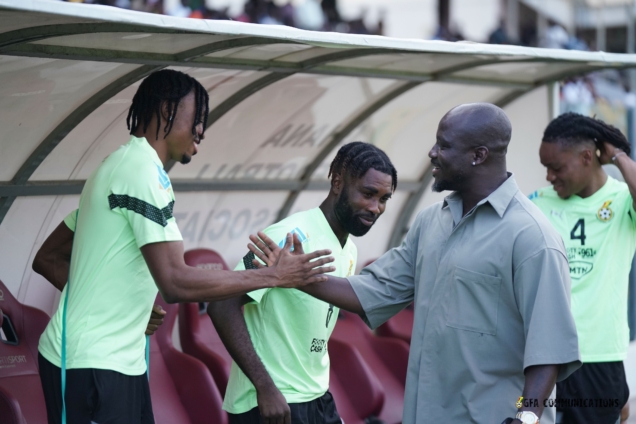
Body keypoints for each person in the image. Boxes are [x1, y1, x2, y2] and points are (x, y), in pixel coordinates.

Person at [31, 69, 335, 424]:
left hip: (122, 363)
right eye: (198, 118)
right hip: (89, 363)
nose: (201, 130)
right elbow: (175, 282)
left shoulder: (124, 166)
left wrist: (122, 307)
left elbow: (49, 257)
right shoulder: (139, 171)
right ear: (166, 110)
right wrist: (274, 276)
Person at [248, 103, 582, 424]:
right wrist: (295, 275)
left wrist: (527, 416)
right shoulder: (430, 222)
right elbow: (374, 290)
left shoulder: (532, 237)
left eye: (444, 145)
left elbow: (549, 349)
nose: (432, 153)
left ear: (478, 155)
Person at [208, 141, 397, 424]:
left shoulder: (349, 249)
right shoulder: (289, 236)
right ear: (337, 183)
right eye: (368, 194)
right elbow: (222, 304)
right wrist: (265, 387)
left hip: (317, 397)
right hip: (273, 403)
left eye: (384, 199)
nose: (375, 208)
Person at [530, 112, 634, 424]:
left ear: (587, 157)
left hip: (598, 359)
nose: (549, 176)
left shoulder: (622, 200)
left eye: (556, 167)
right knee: (525, 416)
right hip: (542, 357)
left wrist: (618, 155)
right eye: (546, 168)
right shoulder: (536, 203)